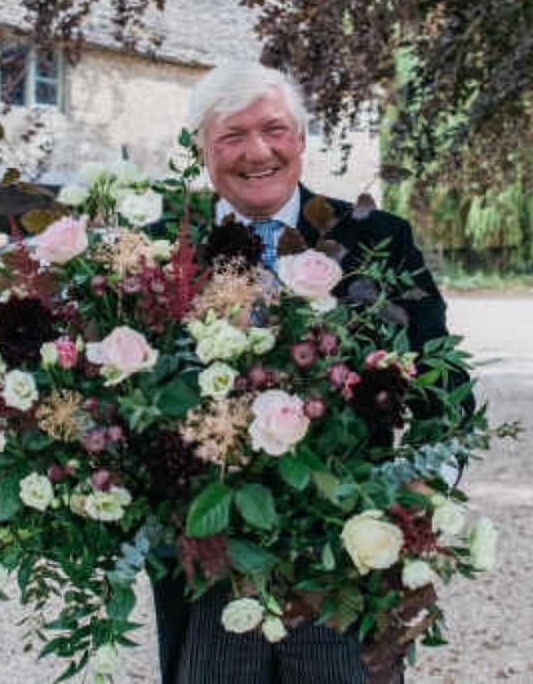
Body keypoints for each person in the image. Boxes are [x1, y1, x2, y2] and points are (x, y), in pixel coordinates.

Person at [151, 62, 465, 684]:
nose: (257, 151)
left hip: (346, 545)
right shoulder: (159, 245)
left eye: (273, 129)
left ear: (300, 137)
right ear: (200, 150)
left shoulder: (378, 237)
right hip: (206, 552)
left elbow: (441, 376)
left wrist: (424, 491)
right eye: (232, 136)